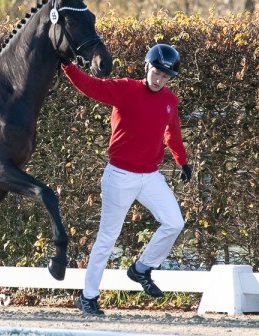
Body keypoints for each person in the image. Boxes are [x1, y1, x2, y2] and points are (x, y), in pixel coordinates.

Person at [62, 43, 193, 316]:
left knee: (174, 222)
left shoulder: (170, 100)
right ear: (147, 66)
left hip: (151, 176)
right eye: (156, 72)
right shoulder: (125, 89)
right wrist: (68, 66)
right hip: (120, 175)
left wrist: (182, 160)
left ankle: (142, 268)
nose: (159, 79)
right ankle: (88, 297)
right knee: (108, 238)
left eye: (165, 76)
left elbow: (173, 134)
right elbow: (91, 86)